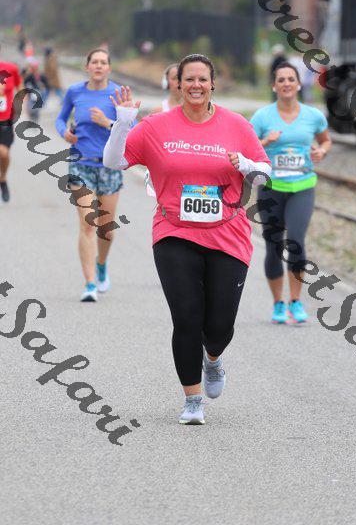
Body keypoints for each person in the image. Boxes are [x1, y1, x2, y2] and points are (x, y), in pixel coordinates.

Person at [103, 53, 271, 425]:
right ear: (177, 84)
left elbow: (263, 173)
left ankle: (213, 358)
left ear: (213, 84)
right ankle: (192, 400)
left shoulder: (237, 125)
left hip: (228, 234)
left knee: (219, 327)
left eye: (202, 79)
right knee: (186, 318)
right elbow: (113, 161)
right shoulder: (155, 126)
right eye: (188, 79)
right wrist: (123, 122)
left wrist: (246, 165)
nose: (195, 85)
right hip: (174, 232)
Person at [250, 62, 331, 325]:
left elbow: (325, 140)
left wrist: (321, 151)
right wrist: (266, 142)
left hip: (302, 187)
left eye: (290, 79)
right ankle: (278, 303)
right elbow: (247, 149)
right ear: (274, 86)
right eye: (281, 80)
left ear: (298, 84)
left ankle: (295, 301)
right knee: (274, 245)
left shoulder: (313, 115)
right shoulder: (262, 117)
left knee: (296, 240)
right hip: (271, 188)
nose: (286, 83)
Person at [55, 48, 122, 302]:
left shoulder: (118, 93)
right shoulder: (75, 92)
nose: (99, 66)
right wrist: (64, 133)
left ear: (109, 68)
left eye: (103, 62)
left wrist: (107, 122)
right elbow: (60, 119)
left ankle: (101, 264)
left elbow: (132, 128)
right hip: (80, 164)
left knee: (106, 229)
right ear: (87, 67)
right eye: (94, 62)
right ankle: (90, 283)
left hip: (109, 166)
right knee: (87, 224)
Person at [144, 64, 182, 196]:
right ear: (166, 82)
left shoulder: (197, 111)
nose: (178, 82)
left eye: (182, 78)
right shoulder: (158, 111)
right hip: (165, 172)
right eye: (175, 78)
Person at [0, 46, 22, 202]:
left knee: (4, 153)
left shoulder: (10, 68)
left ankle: (2, 178)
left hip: (5, 120)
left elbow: (19, 85)